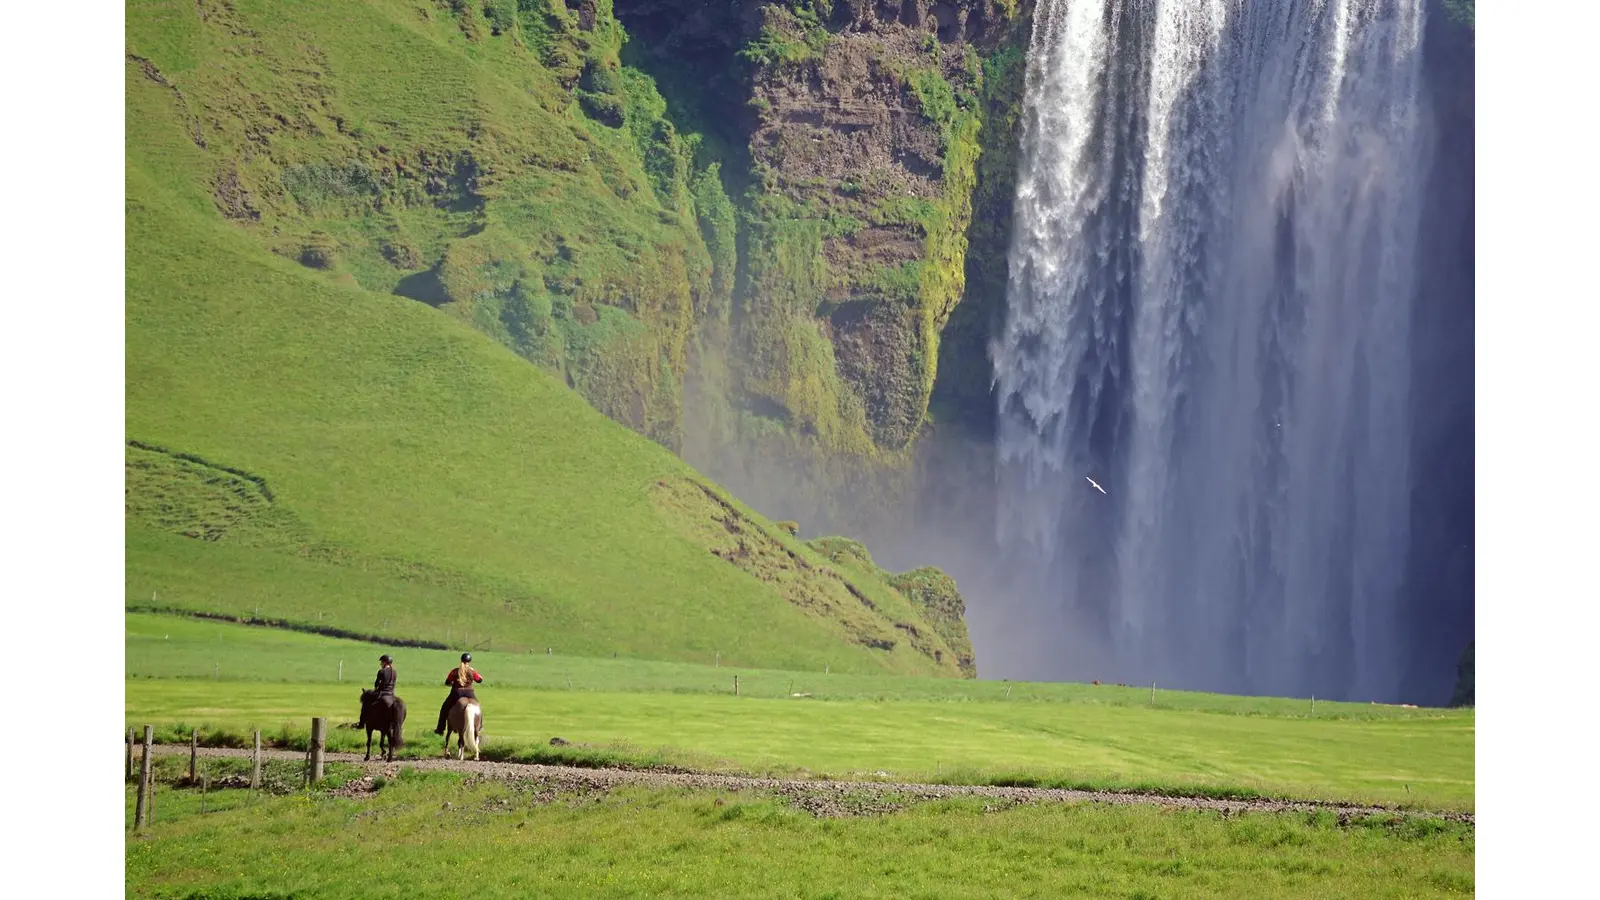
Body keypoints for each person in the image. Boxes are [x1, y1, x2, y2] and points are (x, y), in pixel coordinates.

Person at [435, 652, 484, 735]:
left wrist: (452, 684)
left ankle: (440, 729)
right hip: (470, 693)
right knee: (478, 708)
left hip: (456, 693)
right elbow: (479, 680)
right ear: (469, 661)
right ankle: (480, 727)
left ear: (461, 660)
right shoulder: (472, 671)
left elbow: (447, 682)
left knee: (444, 708)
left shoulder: (455, 671)